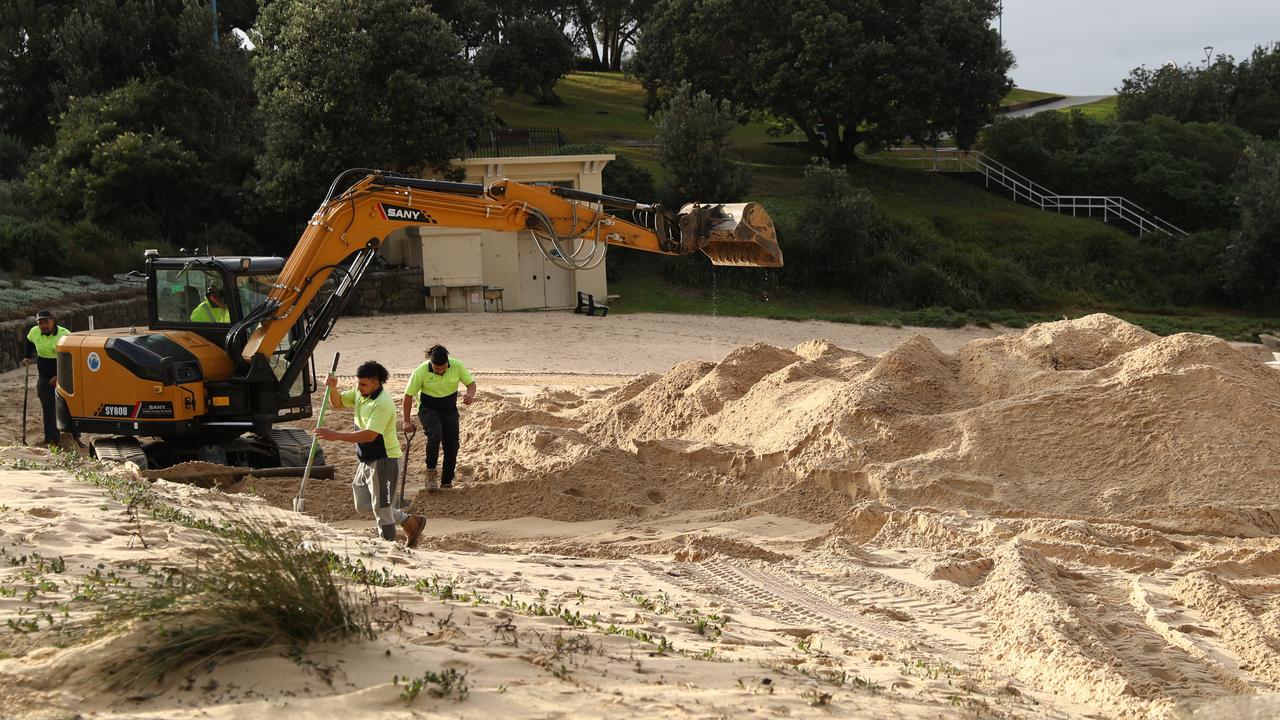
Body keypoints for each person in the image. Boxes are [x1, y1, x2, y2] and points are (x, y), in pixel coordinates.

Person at [317, 360, 426, 547]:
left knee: (382, 510)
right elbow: (338, 403)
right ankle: (410, 521)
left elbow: (369, 435)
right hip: (366, 459)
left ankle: (388, 547)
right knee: (363, 504)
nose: (359, 388)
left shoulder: (383, 404)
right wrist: (333, 388)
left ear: (376, 383)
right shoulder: (361, 393)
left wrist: (335, 436)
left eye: (363, 384)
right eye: (358, 383)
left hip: (384, 459)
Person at [402, 344, 476, 490]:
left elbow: (471, 384)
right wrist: (406, 421)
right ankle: (430, 473)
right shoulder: (421, 371)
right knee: (435, 434)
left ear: (448, 362)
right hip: (428, 408)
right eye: (437, 369)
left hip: (449, 408)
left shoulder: (457, 366)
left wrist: (470, 395)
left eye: (444, 368)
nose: (441, 371)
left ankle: (446, 482)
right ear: (431, 363)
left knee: (452, 445)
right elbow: (408, 396)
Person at [23, 310, 70, 448]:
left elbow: (70, 360)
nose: (43, 325)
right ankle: (52, 440)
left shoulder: (65, 335)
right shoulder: (34, 332)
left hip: (65, 375)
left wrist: (59, 376)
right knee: (49, 408)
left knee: (68, 406)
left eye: (46, 322)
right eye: (40, 323)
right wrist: (27, 355)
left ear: (53, 320)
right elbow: (29, 342)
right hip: (44, 376)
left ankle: (75, 436)